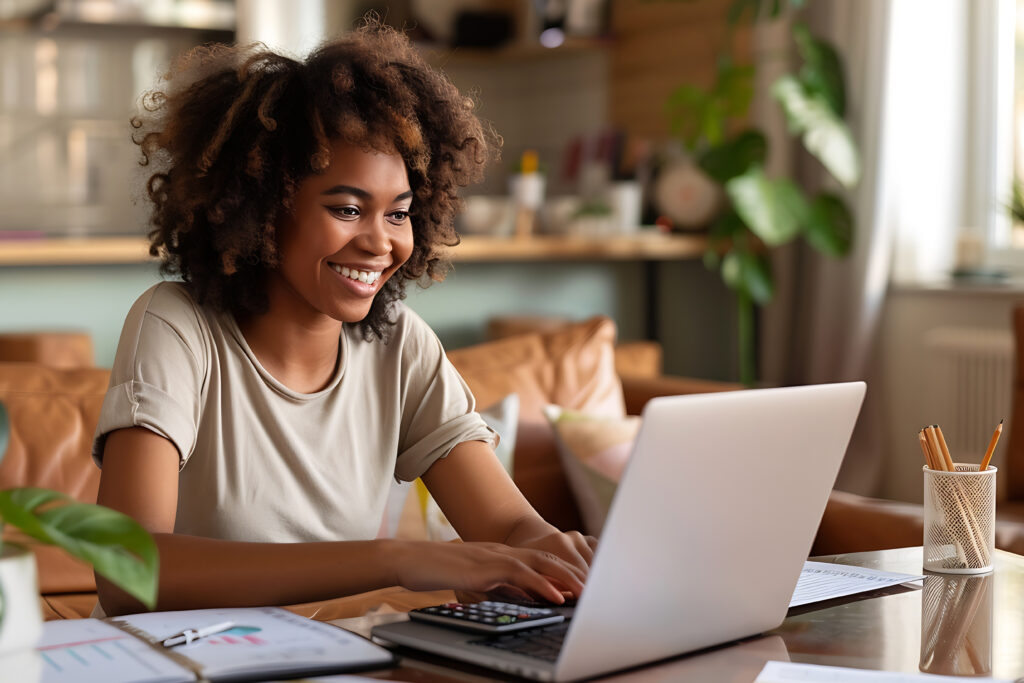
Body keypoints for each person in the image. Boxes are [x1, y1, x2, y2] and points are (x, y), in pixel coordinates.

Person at [93, 20, 595, 617]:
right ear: (263, 206)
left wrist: (555, 557)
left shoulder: (400, 345)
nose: (380, 242)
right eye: (348, 208)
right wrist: (394, 559)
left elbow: (509, 523)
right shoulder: (178, 327)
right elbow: (128, 573)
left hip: (340, 663)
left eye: (399, 214)